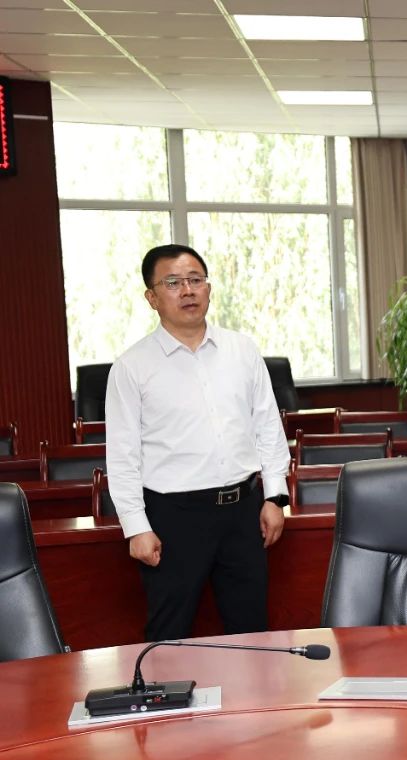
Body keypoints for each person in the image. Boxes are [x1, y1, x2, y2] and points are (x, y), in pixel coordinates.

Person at [105, 244, 291, 642]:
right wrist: (136, 527)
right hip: (174, 517)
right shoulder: (131, 367)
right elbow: (122, 456)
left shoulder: (242, 350)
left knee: (252, 631)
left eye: (195, 280)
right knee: (169, 635)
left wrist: (275, 497)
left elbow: (267, 425)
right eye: (173, 283)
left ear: (209, 288)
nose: (187, 290)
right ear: (152, 297)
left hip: (243, 512)